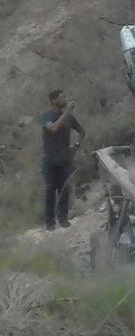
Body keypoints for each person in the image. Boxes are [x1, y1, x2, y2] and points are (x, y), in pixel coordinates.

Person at [39, 90, 84, 231]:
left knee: (64, 189)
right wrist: (67, 113)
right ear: (53, 101)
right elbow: (53, 128)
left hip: (65, 159)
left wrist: (76, 146)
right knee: (50, 189)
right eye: (62, 97)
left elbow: (82, 132)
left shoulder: (70, 118)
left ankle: (63, 219)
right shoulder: (45, 116)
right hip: (49, 159)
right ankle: (50, 222)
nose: (65, 98)